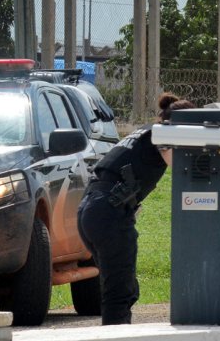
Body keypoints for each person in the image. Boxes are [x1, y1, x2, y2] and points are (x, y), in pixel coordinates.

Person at [77, 92, 196, 324]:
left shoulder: (145, 131)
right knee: (119, 293)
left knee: (123, 287)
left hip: (92, 209)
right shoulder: (164, 133)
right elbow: (181, 167)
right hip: (109, 213)